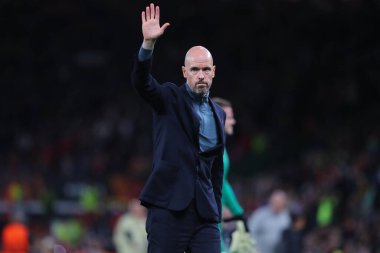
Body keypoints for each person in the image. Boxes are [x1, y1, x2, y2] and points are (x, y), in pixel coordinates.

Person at [131, 3, 226, 253]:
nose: (201, 75)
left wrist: (215, 212)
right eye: (195, 70)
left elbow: (215, 169)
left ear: (214, 72)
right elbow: (142, 83)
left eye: (206, 69)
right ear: (185, 72)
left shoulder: (219, 113)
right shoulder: (170, 99)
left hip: (204, 214)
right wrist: (147, 45)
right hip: (168, 210)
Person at [213, 97, 244, 253]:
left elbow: (222, 183)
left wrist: (237, 212)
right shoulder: (209, 146)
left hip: (214, 212)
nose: (233, 122)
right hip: (207, 214)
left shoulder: (220, 146)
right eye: (230, 117)